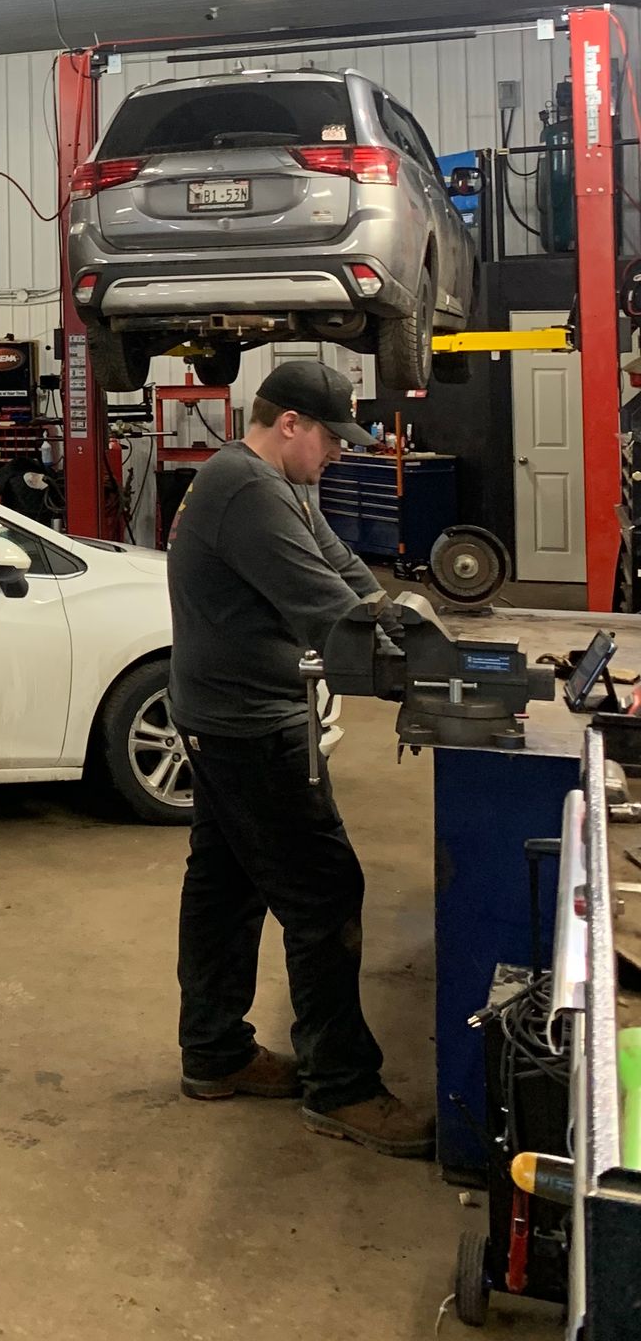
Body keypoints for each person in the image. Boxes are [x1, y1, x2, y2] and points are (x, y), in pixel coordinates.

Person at [167, 356, 434, 1159]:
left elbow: (343, 574)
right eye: (331, 438)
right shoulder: (247, 489)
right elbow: (322, 609)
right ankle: (342, 1087)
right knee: (325, 893)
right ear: (290, 425)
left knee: (227, 886)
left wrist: (405, 621)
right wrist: (426, 671)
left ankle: (215, 1054)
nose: (339, 454)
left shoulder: (273, 485)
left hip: (224, 715)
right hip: (248, 726)